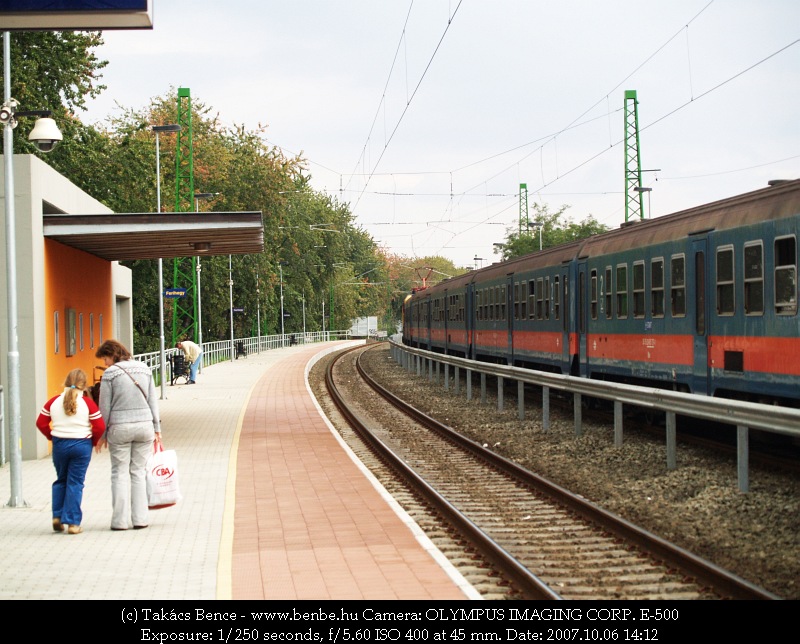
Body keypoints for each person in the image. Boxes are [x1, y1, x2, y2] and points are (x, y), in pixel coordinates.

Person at [94, 339, 161, 531]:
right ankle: (140, 519)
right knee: (138, 472)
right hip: (144, 427)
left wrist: (102, 434)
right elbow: (153, 401)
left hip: (120, 428)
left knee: (119, 473)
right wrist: (157, 429)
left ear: (112, 354)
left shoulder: (110, 374)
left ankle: (119, 521)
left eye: (105, 358)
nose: (105, 363)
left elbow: (104, 408)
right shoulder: (144, 369)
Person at [36, 368, 105, 535]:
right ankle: (73, 523)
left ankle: (57, 517)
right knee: (75, 482)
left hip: (60, 444)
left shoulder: (53, 401)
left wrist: (51, 437)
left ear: (66, 382)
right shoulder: (87, 403)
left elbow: (41, 422)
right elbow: (100, 426)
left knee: (61, 480)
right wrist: (93, 441)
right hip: (81, 445)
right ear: (83, 385)